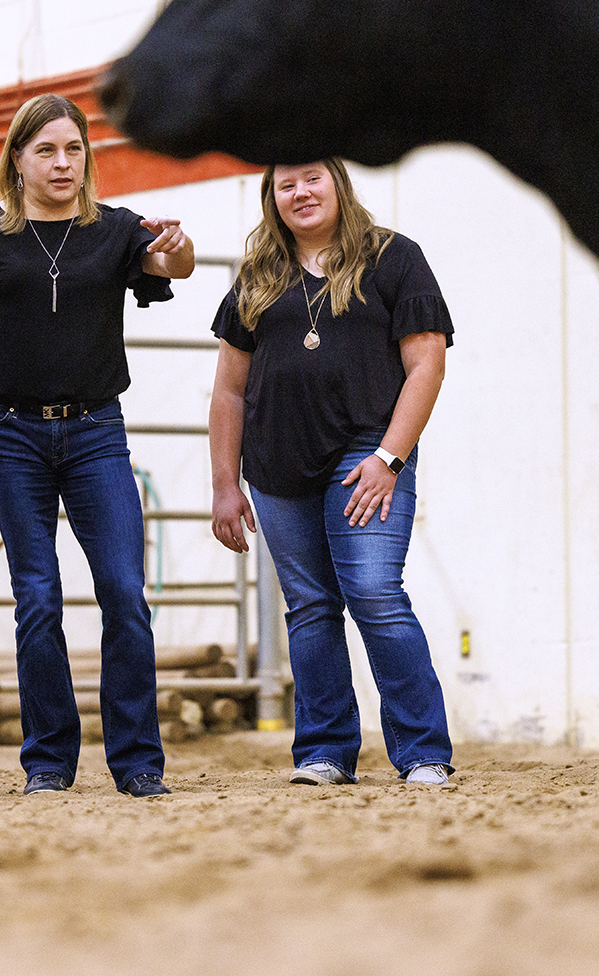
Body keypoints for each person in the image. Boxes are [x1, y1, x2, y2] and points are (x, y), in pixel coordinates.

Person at [0, 94, 194, 798]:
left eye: (73, 149)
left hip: (94, 432)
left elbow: (175, 266)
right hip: (10, 431)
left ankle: (138, 761)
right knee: (37, 597)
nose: (61, 163)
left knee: (122, 590)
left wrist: (179, 248)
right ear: (16, 160)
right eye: (45, 150)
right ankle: (48, 761)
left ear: (88, 158)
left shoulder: (115, 231)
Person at [210, 159, 455, 787]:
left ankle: (423, 751)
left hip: (367, 454)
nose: (300, 192)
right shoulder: (258, 276)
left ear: (338, 184)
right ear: (273, 197)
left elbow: (426, 366)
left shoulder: (395, 259)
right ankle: (324, 752)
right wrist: (224, 484)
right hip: (275, 465)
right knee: (311, 607)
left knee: (373, 591)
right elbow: (229, 392)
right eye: (285, 184)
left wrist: (389, 458)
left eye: (312, 178)